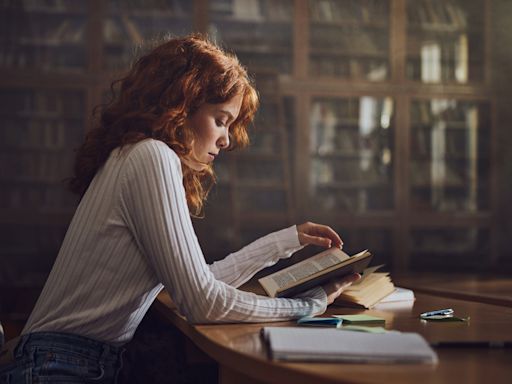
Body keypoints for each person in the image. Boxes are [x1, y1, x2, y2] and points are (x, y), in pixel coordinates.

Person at [0, 34, 360, 383]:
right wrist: (308, 306)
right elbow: (203, 302)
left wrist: (287, 240)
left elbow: (196, 283)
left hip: (59, 362)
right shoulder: (152, 157)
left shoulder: (137, 153)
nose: (227, 138)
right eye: (220, 120)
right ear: (182, 104)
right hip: (58, 368)